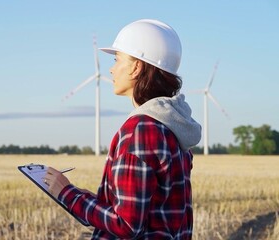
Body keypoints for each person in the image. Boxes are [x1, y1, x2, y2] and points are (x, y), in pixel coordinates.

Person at [44, 19, 201, 239]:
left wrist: (66, 193)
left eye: (117, 60)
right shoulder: (172, 125)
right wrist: (96, 202)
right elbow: (154, 210)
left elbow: (126, 225)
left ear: (136, 66)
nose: (111, 68)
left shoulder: (142, 130)